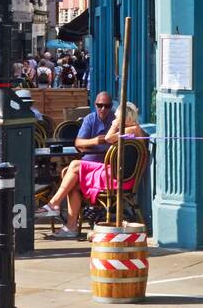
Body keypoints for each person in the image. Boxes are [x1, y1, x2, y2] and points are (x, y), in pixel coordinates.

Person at [43, 100, 145, 237]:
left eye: (117, 118)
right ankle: (70, 226)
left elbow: (108, 138)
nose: (115, 120)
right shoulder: (135, 129)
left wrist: (114, 126)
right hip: (116, 174)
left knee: (74, 166)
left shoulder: (130, 130)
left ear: (124, 118)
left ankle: (55, 205)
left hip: (118, 178)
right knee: (73, 183)